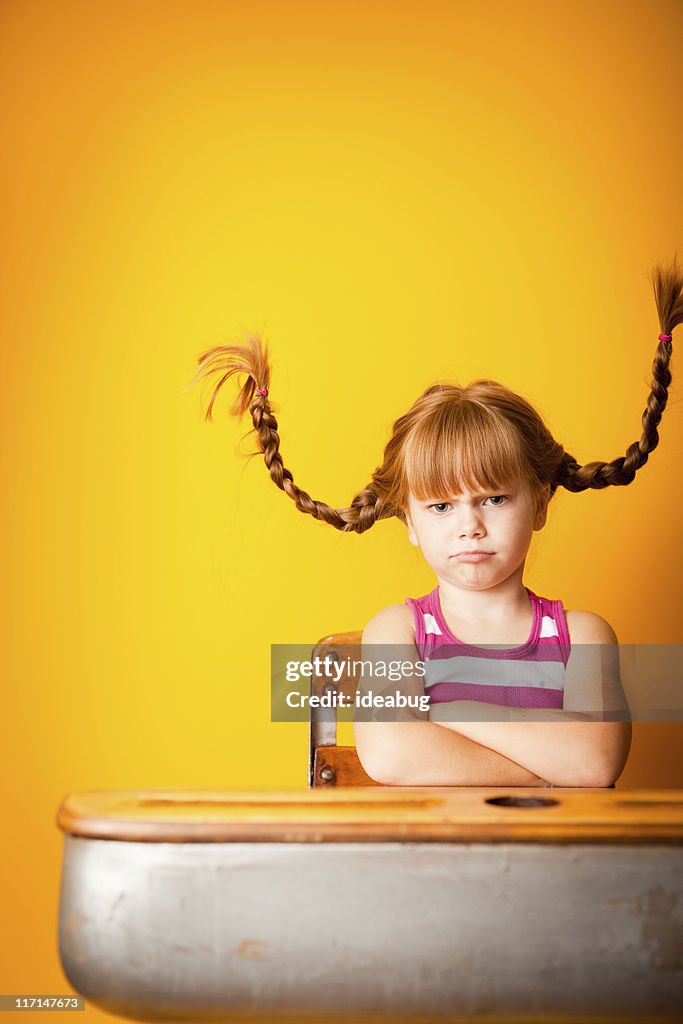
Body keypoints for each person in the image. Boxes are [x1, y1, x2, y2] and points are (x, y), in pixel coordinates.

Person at [188, 257, 681, 788]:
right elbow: (394, 755)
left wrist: (449, 710)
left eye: (493, 498)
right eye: (441, 507)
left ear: (540, 504)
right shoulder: (397, 633)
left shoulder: (581, 638)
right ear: (409, 523)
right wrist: (544, 769)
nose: (469, 525)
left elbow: (594, 763)